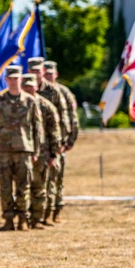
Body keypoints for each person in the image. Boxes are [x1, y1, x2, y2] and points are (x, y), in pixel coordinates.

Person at [0, 66, 43, 231]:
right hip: (3, 151)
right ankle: (8, 220)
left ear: (20, 79)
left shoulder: (30, 101)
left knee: (23, 186)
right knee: (4, 187)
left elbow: (37, 128)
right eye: (10, 78)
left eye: (16, 78)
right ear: (6, 80)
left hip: (24, 149)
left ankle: (23, 219)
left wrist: (36, 151)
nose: (13, 81)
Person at [28, 57, 68, 225]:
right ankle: (32, 215)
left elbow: (63, 119)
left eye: (38, 70)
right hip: (28, 144)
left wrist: (61, 143)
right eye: (33, 70)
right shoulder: (25, 89)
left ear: (42, 71)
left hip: (48, 144)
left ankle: (48, 214)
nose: (35, 73)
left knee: (51, 180)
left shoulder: (53, 92)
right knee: (30, 182)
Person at [21, 73, 61, 229]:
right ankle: (23, 218)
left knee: (39, 188)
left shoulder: (45, 106)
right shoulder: (17, 104)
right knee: (22, 187)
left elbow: (54, 132)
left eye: (31, 86)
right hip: (22, 151)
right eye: (26, 86)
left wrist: (54, 154)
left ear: (36, 87)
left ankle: (37, 219)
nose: (29, 89)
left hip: (43, 154)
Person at [43, 61, 78, 223]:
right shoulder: (37, 91)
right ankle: (42, 211)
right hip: (42, 144)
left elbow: (71, 118)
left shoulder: (64, 93)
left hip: (60, 144)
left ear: (56, 74)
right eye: (46, 73)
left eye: (51, 73)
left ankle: (56, 209)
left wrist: (70, 140)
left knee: (57, 179)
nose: (49, 76)